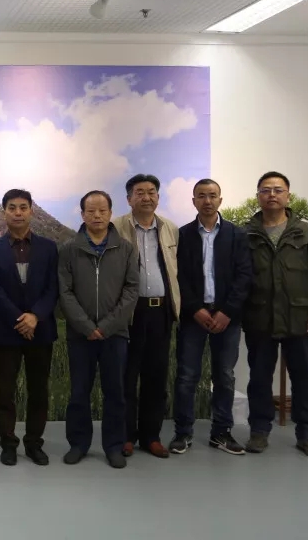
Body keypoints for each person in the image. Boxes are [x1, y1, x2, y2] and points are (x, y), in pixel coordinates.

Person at [243, 171, 308, 458]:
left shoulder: (307, 233)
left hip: (300, 318)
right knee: (259, 378)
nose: (271, 194)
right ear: (258, 196)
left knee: (304, 378)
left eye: (278, 189)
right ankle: (259, 431)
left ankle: (307, 435)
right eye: (265, 190)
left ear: (288, 195)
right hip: (260, 318)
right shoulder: (245, 233)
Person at [171, 179, 252, 455]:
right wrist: (195, 308)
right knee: (187, 376)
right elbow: (178, 276)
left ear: (220, 200)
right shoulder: (182, 235)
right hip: (193, 317)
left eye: (212, 195)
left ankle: (221, 432)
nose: (207, 200)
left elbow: (244, 275)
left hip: (227, 318)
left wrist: (227, 311)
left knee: (225, 376)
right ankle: (183, 433)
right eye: (201, 196)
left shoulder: (236, 234)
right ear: (193, 200)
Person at [60, 190, 139, 469]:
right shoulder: (69, 248)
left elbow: (131, 291)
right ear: (82, 214)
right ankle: (78, 444)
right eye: (91, 211)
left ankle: (114, 446)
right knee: (79, 392)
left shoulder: (126, 248)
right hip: (79, 335)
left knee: (115, 393)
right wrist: (85, 326)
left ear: (110, 213)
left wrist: (105, 326)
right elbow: (65, 292)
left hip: (114, 335)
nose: (97, 215)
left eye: (102, 210)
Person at [0, 189, 59, 467]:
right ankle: (8, 444)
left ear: (31, 211)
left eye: (23, 207)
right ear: (4, 212)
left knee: (38, 391)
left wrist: (35, 316)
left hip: (41, 330)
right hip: (7, 331)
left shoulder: (49, 248)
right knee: (5, 392)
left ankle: (34, 443)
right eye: (12, 207)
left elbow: (53, 287)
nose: (18, 212)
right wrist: (20, 319)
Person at [114, 174, 180, 459]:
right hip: (129, 312)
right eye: (139, 192)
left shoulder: (170, 229)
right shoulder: (116, 227)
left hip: (161, 311)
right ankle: (126, 436)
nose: (146, 197)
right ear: (129, 199)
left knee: (156, 375)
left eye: (151, 192)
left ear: (158, 197)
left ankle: (151, 436)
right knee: (127, 376)